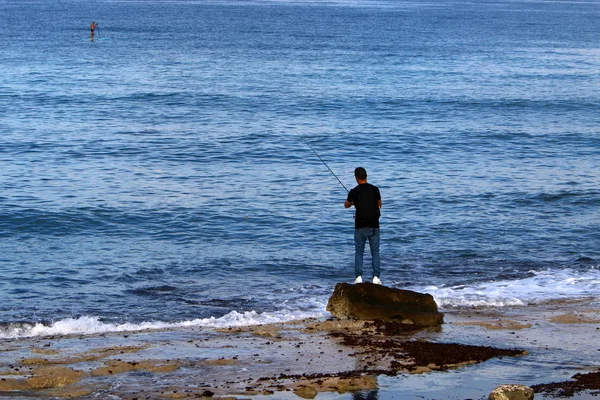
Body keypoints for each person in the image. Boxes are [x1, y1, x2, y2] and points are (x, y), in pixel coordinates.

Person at [344, 167, 382, 285]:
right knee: (375, 251)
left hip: (360, 226)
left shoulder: (354, 191)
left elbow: (346, 205)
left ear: (356, 178)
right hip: (374, 225)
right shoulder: (375, 189)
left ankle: (359, 277)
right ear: (366, 176)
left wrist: (353, 202)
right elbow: (379, 205)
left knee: (359, 252)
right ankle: (376, 277)